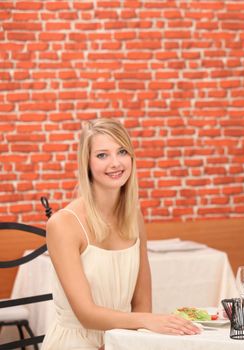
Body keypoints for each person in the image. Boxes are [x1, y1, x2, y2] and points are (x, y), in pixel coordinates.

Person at [42, 119, 200, 350]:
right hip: (76, 343)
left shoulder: (134, 217)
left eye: (122, 151)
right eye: (102, 155)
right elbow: (86, 315)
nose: (115, 163)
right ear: (86, 162)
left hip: (122, 341)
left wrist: (127, 339)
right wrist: (149, 321)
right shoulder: (63, 224)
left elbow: (142, 302)